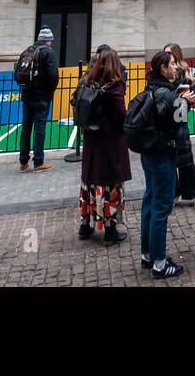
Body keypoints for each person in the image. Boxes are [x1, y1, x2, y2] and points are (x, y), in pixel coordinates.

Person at [137, 49, 191, 279]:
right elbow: (177, 123)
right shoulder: (166, 94)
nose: (176, 67)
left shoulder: (150, 88)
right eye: (172, 64)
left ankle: (147, 253)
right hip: (162, 154)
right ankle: (159, 263)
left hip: (148, 154)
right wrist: (185, 103)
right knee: (161, 207)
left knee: (149, 202)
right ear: (163, 68)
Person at [77, 48, 131, 244]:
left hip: (91, 139)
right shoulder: (114, 86)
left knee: (89, 181)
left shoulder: (87, 82)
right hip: (110, 140)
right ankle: (110, 229)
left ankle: (85, 225)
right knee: (110, 183)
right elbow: (121, 114)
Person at [165, 43, 195, 210]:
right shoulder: (164, 72)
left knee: (185, 160)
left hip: (180, 120)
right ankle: (175, 193)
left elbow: (190, 97)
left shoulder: (184, 74)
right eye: (165, 53)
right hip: (166, 121)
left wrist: (184, 99)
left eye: (169, 53)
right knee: (169, 160)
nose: (167, 55)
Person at [17, 25, 60, 173]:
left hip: (27, 94)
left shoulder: (27, 51)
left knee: (26, 127)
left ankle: (23, 162)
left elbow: (17, 73)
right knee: (39, 127)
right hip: (42, 96)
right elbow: (53, 75)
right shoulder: (48, 52)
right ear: (48, 40)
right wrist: (50, 90)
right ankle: (38, 162)